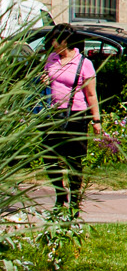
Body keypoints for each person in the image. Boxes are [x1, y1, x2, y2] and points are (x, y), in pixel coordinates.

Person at [41, 25, 101, 211]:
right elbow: (46, 79)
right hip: (53, 114)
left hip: (76, 115)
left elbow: (91, 94)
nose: (52, 43)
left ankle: (74, 197)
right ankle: (60, 194)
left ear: (65, 42)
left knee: (73, 160)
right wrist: (44, 79)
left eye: (54, 40)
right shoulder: (51, 59)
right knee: (48, 156)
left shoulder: (83, 64)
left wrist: (96, 120)